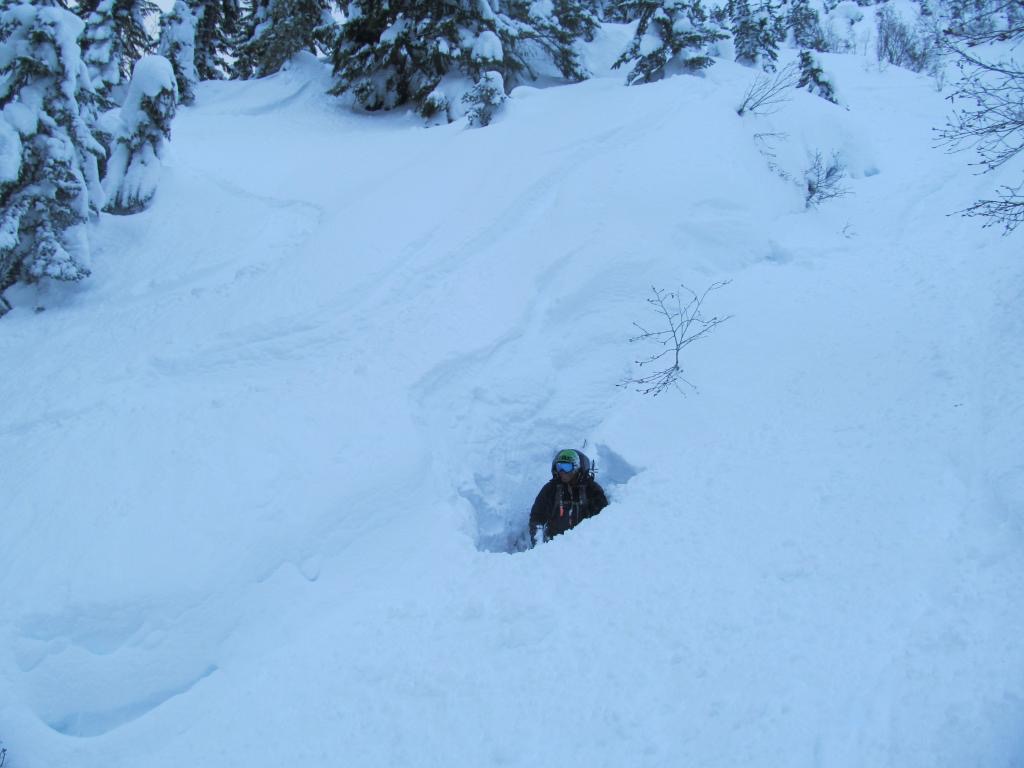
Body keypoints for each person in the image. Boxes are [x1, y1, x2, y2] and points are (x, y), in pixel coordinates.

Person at [529, 448, 608, 545]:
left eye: (566, 467)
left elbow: (603, 519)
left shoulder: (591, 489)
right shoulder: (551, 489)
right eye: (559, 467)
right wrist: (539, 546)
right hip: (553, 547)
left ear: (576, 468)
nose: (561, 471)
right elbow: (537, 517)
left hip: (585, 545)